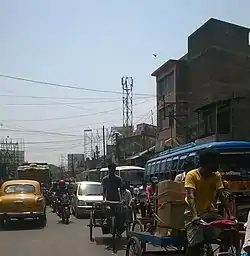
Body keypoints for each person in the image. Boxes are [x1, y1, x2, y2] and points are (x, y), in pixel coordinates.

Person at [184, 148, 233, 256]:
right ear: (207, 162)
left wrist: (230, 215)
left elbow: (221, 195)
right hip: (194, 215)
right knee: (195, 244)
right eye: (215, 161)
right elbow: (191, 196)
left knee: (229, 232)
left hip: (210, 213)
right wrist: (194, 216)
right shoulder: (192, 175)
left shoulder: (216, 176)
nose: (218, 164)